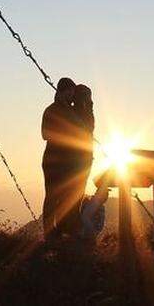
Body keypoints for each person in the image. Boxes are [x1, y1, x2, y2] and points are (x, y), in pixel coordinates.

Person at [41, 77, 86, 239]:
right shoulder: (52, 110)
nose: (73, 95)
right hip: (54, 161)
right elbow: (45, 134)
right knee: (53, 196)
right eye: (71, 91)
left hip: (64, 162)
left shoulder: (70, 111)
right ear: (65, 91)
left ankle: (58, 231)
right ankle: (49, 233)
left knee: (63, 197)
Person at [65, 84, 95, 236]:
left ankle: (71, 227)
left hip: (76, 160)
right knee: (76, 194)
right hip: (81, 160)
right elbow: (89, 129)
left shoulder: (71, 112)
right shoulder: (86, 114)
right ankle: (72, 227)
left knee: (73, 194)